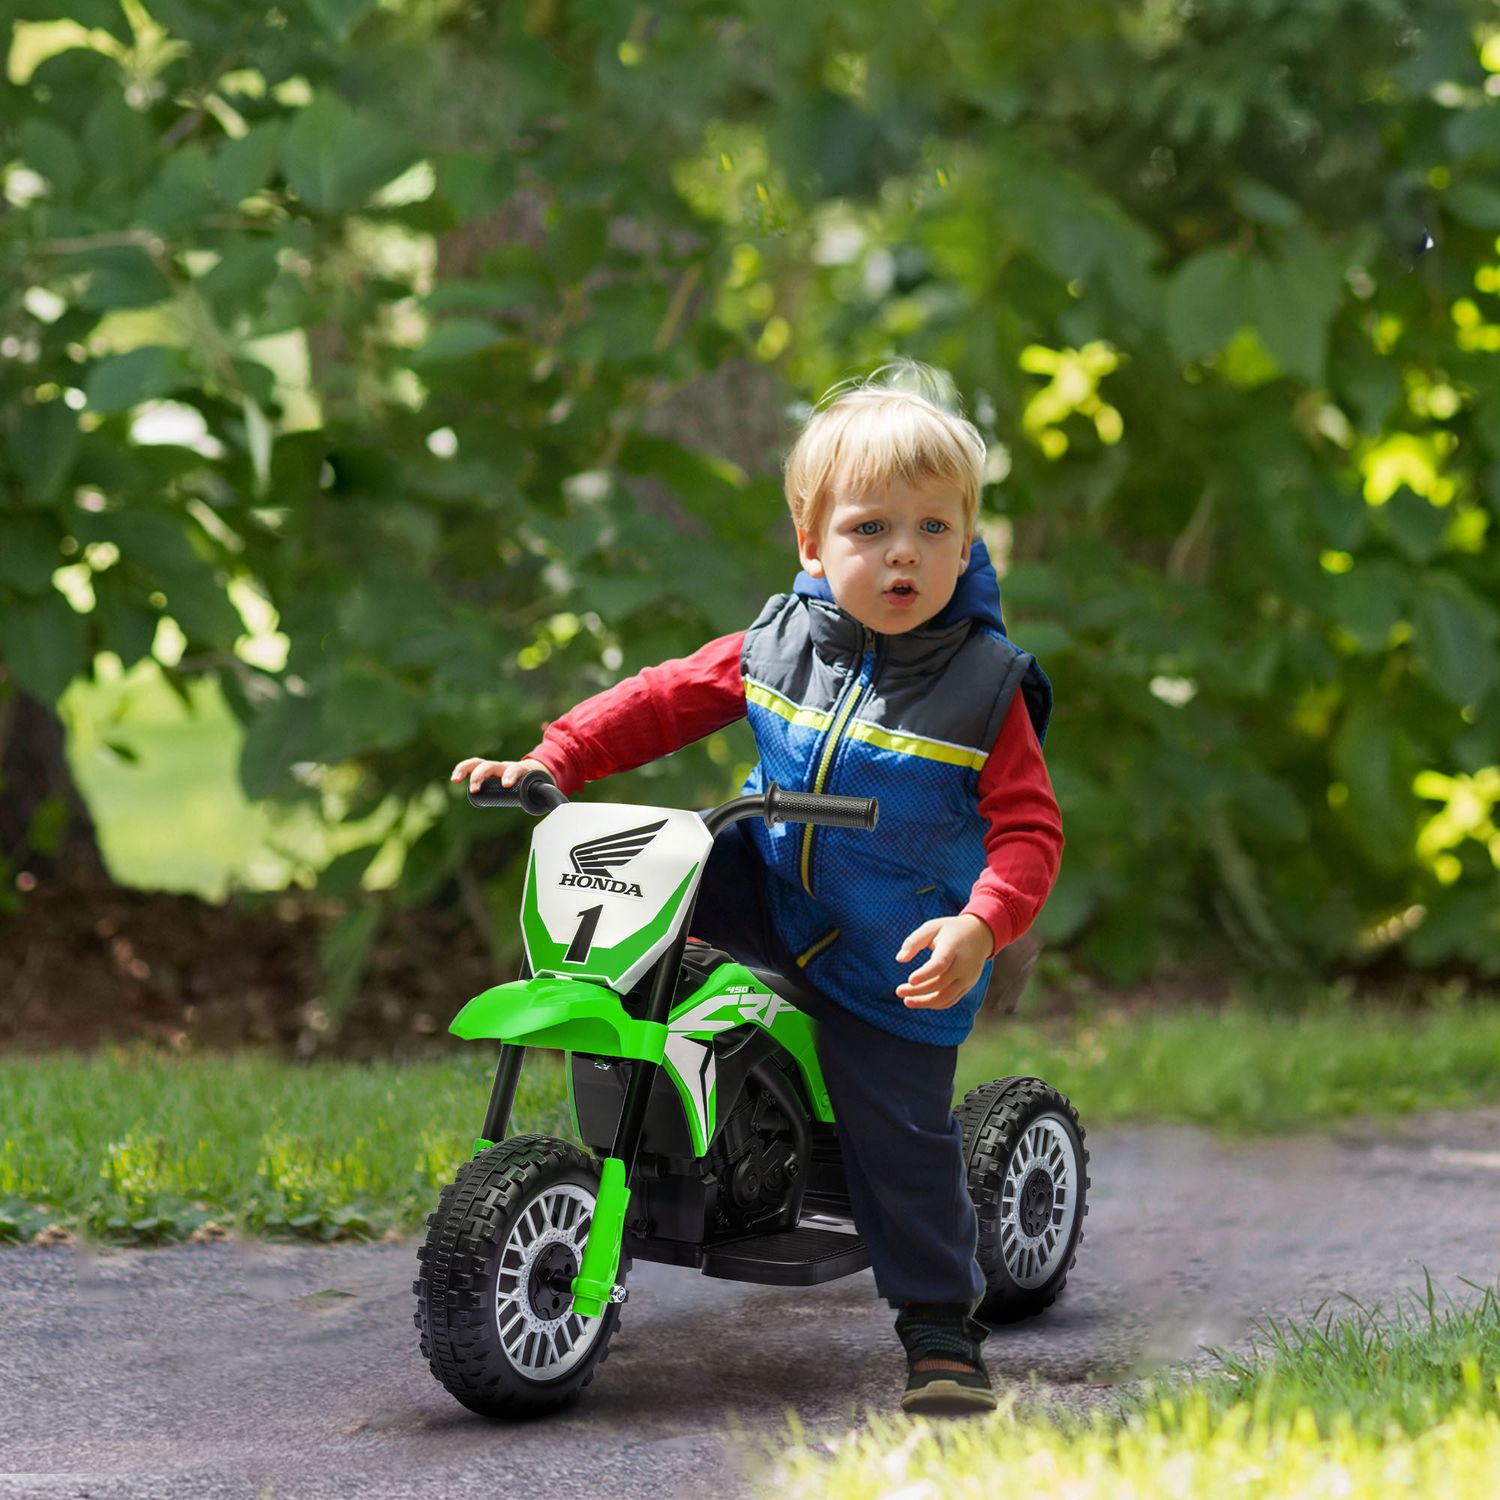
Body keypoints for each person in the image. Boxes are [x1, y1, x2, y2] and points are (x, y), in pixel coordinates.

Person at [450, 359, 1064, 1415]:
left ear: (967, 544)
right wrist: (553, 758)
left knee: (899, 1140)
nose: (902, 553)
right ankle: (670, 1140)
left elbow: (1029, 830)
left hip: (893, 949)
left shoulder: (982, 689)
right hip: (770, 880)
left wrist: (980, 924)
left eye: (931, 529)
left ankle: (939, 1334)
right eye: (870, 529)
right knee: (653, 873)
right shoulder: (778, 642)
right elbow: (661, 700)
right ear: (813, 545)